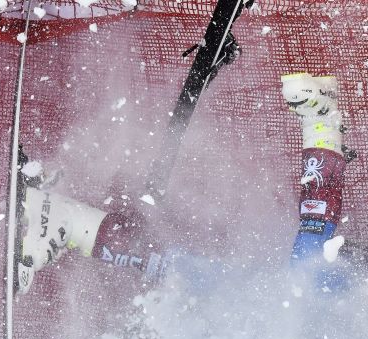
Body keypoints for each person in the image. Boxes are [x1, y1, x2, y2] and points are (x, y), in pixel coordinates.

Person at [18, 72, 351, 294]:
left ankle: (72, 224)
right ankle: (322, 121)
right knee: (305, 273)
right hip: (320, 321)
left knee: (200, 279)